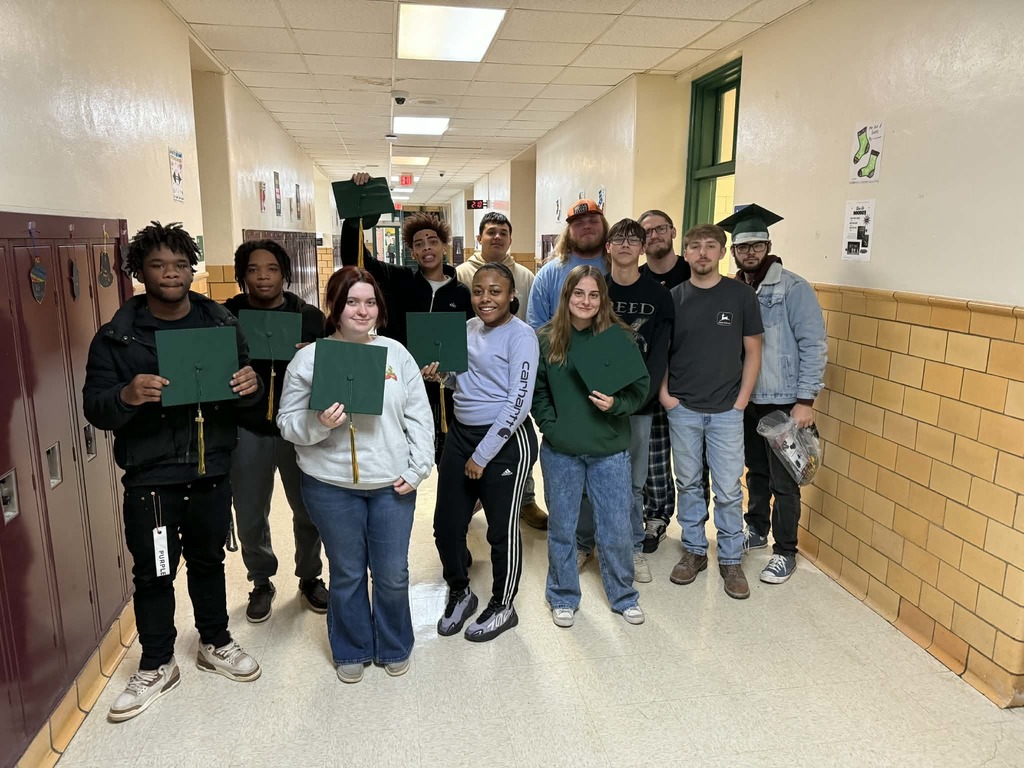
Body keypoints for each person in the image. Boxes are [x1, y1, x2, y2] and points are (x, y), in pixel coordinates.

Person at [83, 222, 263, 722]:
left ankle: (215, 642)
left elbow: (247, 402)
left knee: (208, 562)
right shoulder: (117, 337)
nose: (171, 274)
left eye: (180, 265)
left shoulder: (221, 323)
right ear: (140, 272)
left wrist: (252, 387)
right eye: (159, 265)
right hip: (152, 482)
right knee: (156, 571)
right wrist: (125, 395)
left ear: (193, 269)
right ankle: (157, 663)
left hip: (209, 471)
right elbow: (95, 408)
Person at [277, 267, 433, 683]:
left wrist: (418, 468)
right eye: (351, 302)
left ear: (379, 308)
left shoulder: (396, 354)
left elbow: (420, 416)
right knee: (346, 572)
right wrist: (319, 423)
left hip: (391, 484)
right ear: (335, 307)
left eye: (370, 302)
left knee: (392, 572)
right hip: (330, 486)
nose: (362, 311)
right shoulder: (310, 358)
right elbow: (287, 423)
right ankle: (351, 647)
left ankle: (394, 643)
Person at [428, 263, 539, 642]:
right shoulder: (466, 329)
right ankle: (460, 592)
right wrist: (439, 375)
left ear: (511, 296)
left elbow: (518, 402)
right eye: (478, 291)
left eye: (495, 291)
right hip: (461, 435)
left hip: (506, 441)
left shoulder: (521, 336)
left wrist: (482, 455)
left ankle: (503, 605)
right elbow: (460, 379)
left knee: (501, 531)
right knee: (446, 524)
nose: (485, 298)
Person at [534, 265, 648, 628]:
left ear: (603, 300)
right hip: (561, 450)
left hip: (609, 449)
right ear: (566, 297)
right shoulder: (547, 339)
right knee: (563, 526)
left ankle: (623, 595)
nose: (585, 301)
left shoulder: (618, 338)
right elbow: (537, 393)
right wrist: (553, 427)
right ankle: (563, 594)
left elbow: (639, 388)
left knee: (615, 526)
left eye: (593, 295)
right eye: (578, 293)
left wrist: (617, 406)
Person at [222, 239, 328, 623]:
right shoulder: (227, 315)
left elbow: (331, 369)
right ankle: (261, 579)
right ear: (241, 275)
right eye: (253, 269)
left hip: (298, 426)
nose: (262, 277)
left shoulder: (309, 316)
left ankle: (310, 575)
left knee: (309, 508)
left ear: (285, 273)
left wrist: (314, 354)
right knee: (250, 510)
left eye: (271, 269)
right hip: (249, 427)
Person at [720, 204, 827, 585]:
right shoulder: (734, 289)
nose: (750, 253)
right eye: (743, 247)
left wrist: (806, 401)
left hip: (784, 401)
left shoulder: (793, 288)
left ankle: (785, 551)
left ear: (768, 246)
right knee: (757, 472)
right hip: (748, 400)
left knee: (785, 482)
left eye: (757, 246)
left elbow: (813, 344)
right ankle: (756, 530)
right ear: (734, 252)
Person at [661, 223, 763, 600]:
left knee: (728, 488)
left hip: (727, 411)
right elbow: (662, 352)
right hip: (683, 407)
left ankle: (731, 558)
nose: (702, 253)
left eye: (710, 246)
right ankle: (693, 551)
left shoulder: (741, 296)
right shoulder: (672, 298)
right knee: (687, 482)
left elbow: (753, 350)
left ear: (722, 252)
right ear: (684, 253)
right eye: (694, 247)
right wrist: (666, 396)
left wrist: (741, 401)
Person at [342, 174, 472, 466]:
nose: (427, 248)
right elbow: (356, 260)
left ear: (444, 247)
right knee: (398, 455)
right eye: (419, 244)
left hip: (445, 392)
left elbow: (471, 342)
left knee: (448, 458)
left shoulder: (462, 294)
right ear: (412, 252)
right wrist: (356, 215)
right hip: (399, 383)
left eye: (433, 241)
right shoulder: (397, 281)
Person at [575, 219, 673, 584]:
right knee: (587, 475)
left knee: (632, 483)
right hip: (593, 401)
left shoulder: (660, 295)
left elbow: (661, 354)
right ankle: (585, 543)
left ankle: (632, 546)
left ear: (643, 247)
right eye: (619, 238)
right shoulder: (594, 289)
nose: (627, 244)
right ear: (609, 247)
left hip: (638, 405)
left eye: (635, 239)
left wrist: (635, 400)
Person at [455, 211, 547, 530]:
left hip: (513, 368)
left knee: (513, 435)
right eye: (490, 231)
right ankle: (478, 497)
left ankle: (526, 499)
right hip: (473, 389)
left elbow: (533, 318)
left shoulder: (525, 275)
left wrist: (523, 347)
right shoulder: (462, 274)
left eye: (503, 232)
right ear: (479, 237)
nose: (497, 237)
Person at [636, 209, 691, 553]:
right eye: (647, 232)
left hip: (691, 384)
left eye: (660, 229)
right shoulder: (636, 279)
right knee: (653, 458)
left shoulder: (694, 272)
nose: (654, 235)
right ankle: (655, 518)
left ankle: (694, 528)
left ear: (672, 232)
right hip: (650, 384)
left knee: (691, 463)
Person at [526, 199, 609, 330]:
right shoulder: (548, 274)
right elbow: (536, 326)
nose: (587, 226)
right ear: (568, 232)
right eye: (579, 223)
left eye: (593, 221)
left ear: (604, 226)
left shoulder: (616, 268)